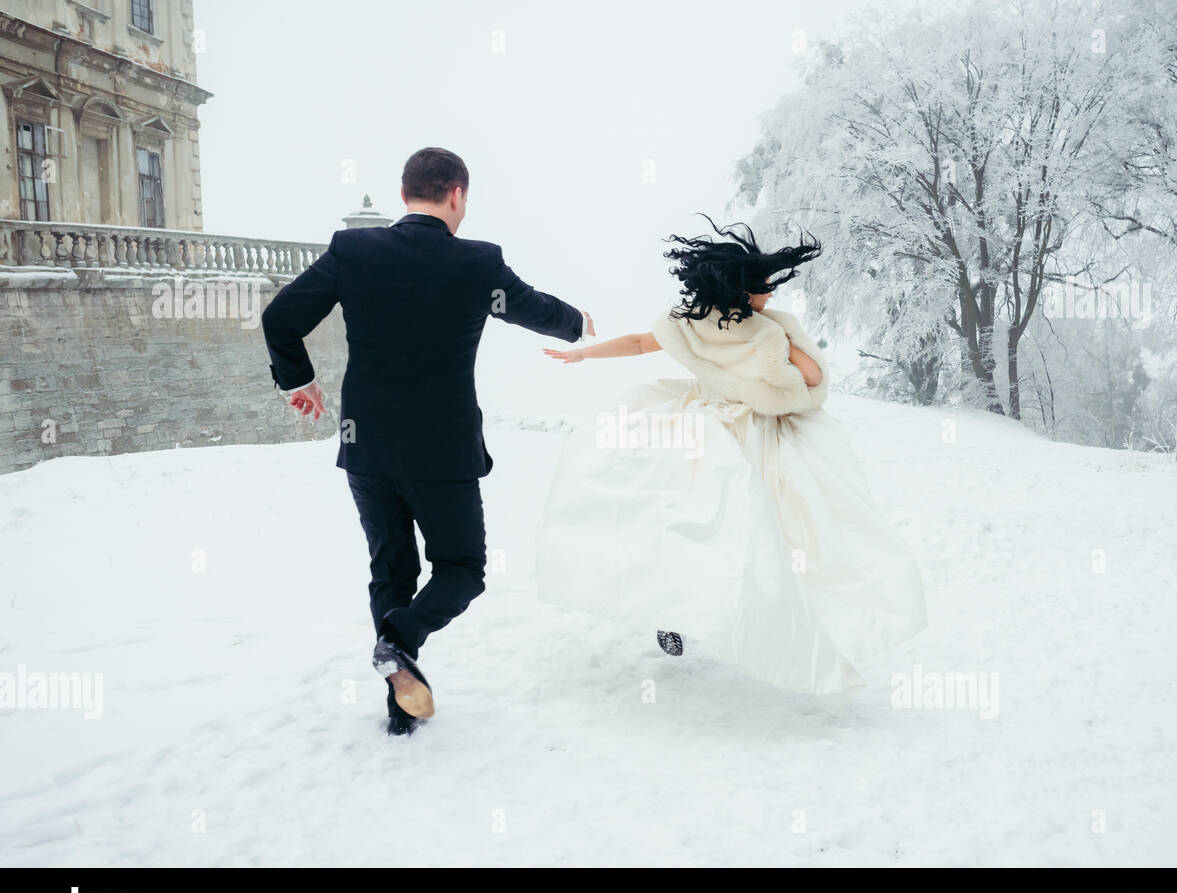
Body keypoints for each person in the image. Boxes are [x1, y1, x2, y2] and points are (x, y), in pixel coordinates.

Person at [261, 147, 593, 734]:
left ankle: (400, 705)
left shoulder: (353, 251)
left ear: (405, 193)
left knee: (391, 570)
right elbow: (534, 310)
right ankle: (402, 637)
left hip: (366, 447)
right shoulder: (478, 264)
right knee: (463, 569)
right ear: (457, 195)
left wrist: (299, 379)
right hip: (442, 453)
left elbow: (280, 319)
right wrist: (576, 322)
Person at [537, 218, 926, 694]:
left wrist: (584, 355)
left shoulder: (689, 322)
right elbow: (808, 377)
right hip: (749, 431)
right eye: (763, 289)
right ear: (744, 292)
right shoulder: (766, 333)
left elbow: (641, 342)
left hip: (697, 425)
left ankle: (678, 607)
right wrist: (784, 341)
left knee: (681, 521)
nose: (769, 297)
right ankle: (742, 612)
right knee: (763, 530)